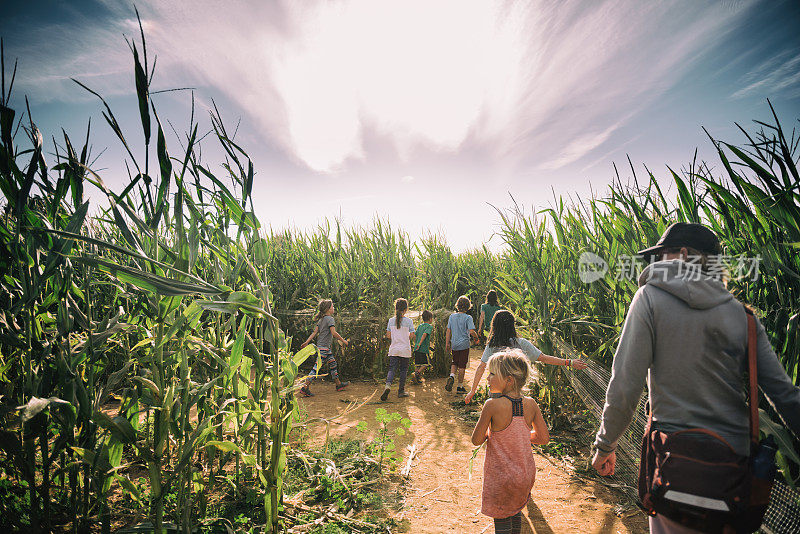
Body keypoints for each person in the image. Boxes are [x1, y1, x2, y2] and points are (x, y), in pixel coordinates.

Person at [590, 222, 800, 533]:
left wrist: (605, 445)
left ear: (683, 255)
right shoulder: (743, 316)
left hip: (676, 465)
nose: (656, 262)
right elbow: (783, 395)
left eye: (661, 254)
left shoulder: (649, 298)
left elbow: (625, 384)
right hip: (733, 476)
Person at [471, 349, 549, 534]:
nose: (488, 378)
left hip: (501, 478)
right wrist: (520, 437)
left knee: (502, 522)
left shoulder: (492, 405)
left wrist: (494, 435)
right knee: (515, 513)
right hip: (524, 476)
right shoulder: (530, 404)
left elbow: (476, 440)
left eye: (492, 374)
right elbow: (543, 438)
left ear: (509, 380)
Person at [465, 310, 587, 404]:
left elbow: (481, 367)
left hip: (497, 391)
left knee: (497, 422)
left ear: (495, 326)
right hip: (516, 391)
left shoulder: (493, 345)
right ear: (512, 325)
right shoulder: (521, 343)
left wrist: (472, 390)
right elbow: (544, 358)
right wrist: (569, 362)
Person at [299, 299, 350, 396]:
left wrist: (306, 342)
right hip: (324, 349)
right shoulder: (330, 319)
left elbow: (314, 333)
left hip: (322, 347)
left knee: (333, 363)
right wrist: (343, 341)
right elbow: (333, 333)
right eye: (332, 307)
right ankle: (305, 387)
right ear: (328, 309)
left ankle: (338, 384)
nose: (333, 308)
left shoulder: (321, 320)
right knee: (316, 368)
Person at [381, 298, 416, 401]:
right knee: (403, 370)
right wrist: (406, 337)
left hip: (394, 349)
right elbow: (412, 335)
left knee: (392, 369)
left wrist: (396, 337)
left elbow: (388, 335)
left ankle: (388, 386)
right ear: (405, 310)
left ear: (395, 308)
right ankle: (401, 391)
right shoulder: (409, 321)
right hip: (405, 349)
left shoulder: (391, 320)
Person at [446, 295, 479, 394]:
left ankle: (451, 376)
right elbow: (471, 331)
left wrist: (447, 343)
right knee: (462, 366)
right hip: (464, 344)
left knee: (454, 362)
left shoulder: (452, 316)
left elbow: (448, 330)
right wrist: (476, 338)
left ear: (457, 305)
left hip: (454, 344)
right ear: (468, 306)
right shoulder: (468, 317)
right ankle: (460, 387)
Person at [412, 310, 434, 384]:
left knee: (418, 364)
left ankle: (416, 379)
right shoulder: (429, 326)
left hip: (416, 349)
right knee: (426, 364)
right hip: (423, 349)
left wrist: (416, 343)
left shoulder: (420, 326)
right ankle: (416, 374)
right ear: (430, 319)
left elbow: (415, 335)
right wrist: (419, 344)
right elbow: (424, 334)